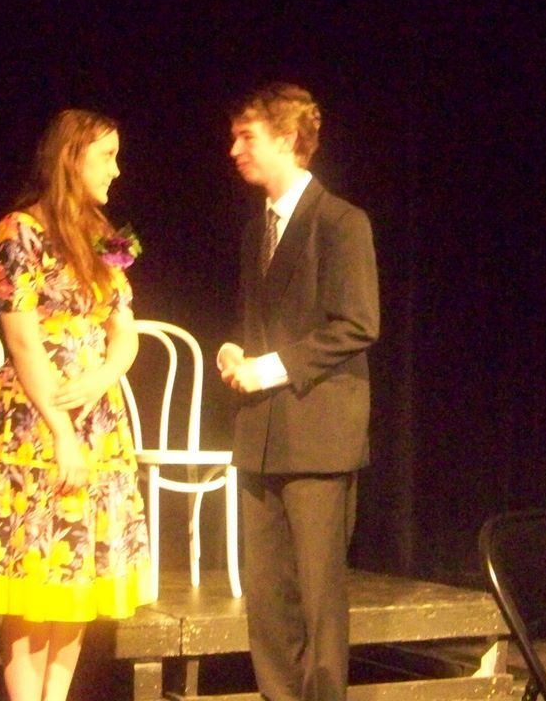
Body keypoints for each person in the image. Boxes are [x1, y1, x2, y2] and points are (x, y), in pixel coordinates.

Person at [0, 109, 153, 701]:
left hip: (98, 417)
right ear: (72, 158)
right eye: (106, 156)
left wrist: (99, 380)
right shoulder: (17, 232)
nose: (116, 170)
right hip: (34, 422)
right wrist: (62, 430)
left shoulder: (107, 236)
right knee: (32, 577)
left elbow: (125, 333)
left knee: (75, 577)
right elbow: (22, 341)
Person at [218, 83, 380, 701]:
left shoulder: (340, 223)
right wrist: (239, 355)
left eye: (247, 137)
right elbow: (270, 327)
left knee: (317, 601)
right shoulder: (254, 232)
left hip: (317, 435)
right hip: (261, 434)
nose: (235, 149)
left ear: (287, 140)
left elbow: (359, 323)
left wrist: (270, 368)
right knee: (267, 602)